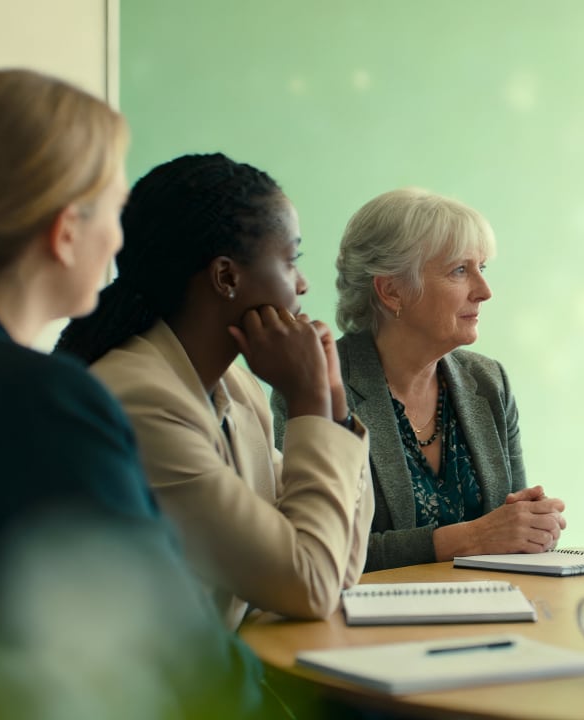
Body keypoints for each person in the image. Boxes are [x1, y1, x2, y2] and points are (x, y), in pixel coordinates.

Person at [0, 70, 287, 717]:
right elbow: (188, 664)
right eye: (114, 212)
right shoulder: (43, 404)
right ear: (65, 232)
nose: (120, 242)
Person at [54, 153, 373, 628]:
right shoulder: (140, 401)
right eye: (291, 261)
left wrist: (335, 409)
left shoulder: (237, 388)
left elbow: (337, 570)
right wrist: (306, 404)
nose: (303, 284)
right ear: (226, 277)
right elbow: (310, 583)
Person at [272, 188, 565, 571]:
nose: (484, 291)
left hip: (489, 610)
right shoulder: (317, 385)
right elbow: (313, 553)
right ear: (392, 290)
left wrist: (534, 526)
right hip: (366, 626)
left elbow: (510, 531)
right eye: (460, 270)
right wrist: (470, 538)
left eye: (482, 268)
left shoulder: (489, 380)